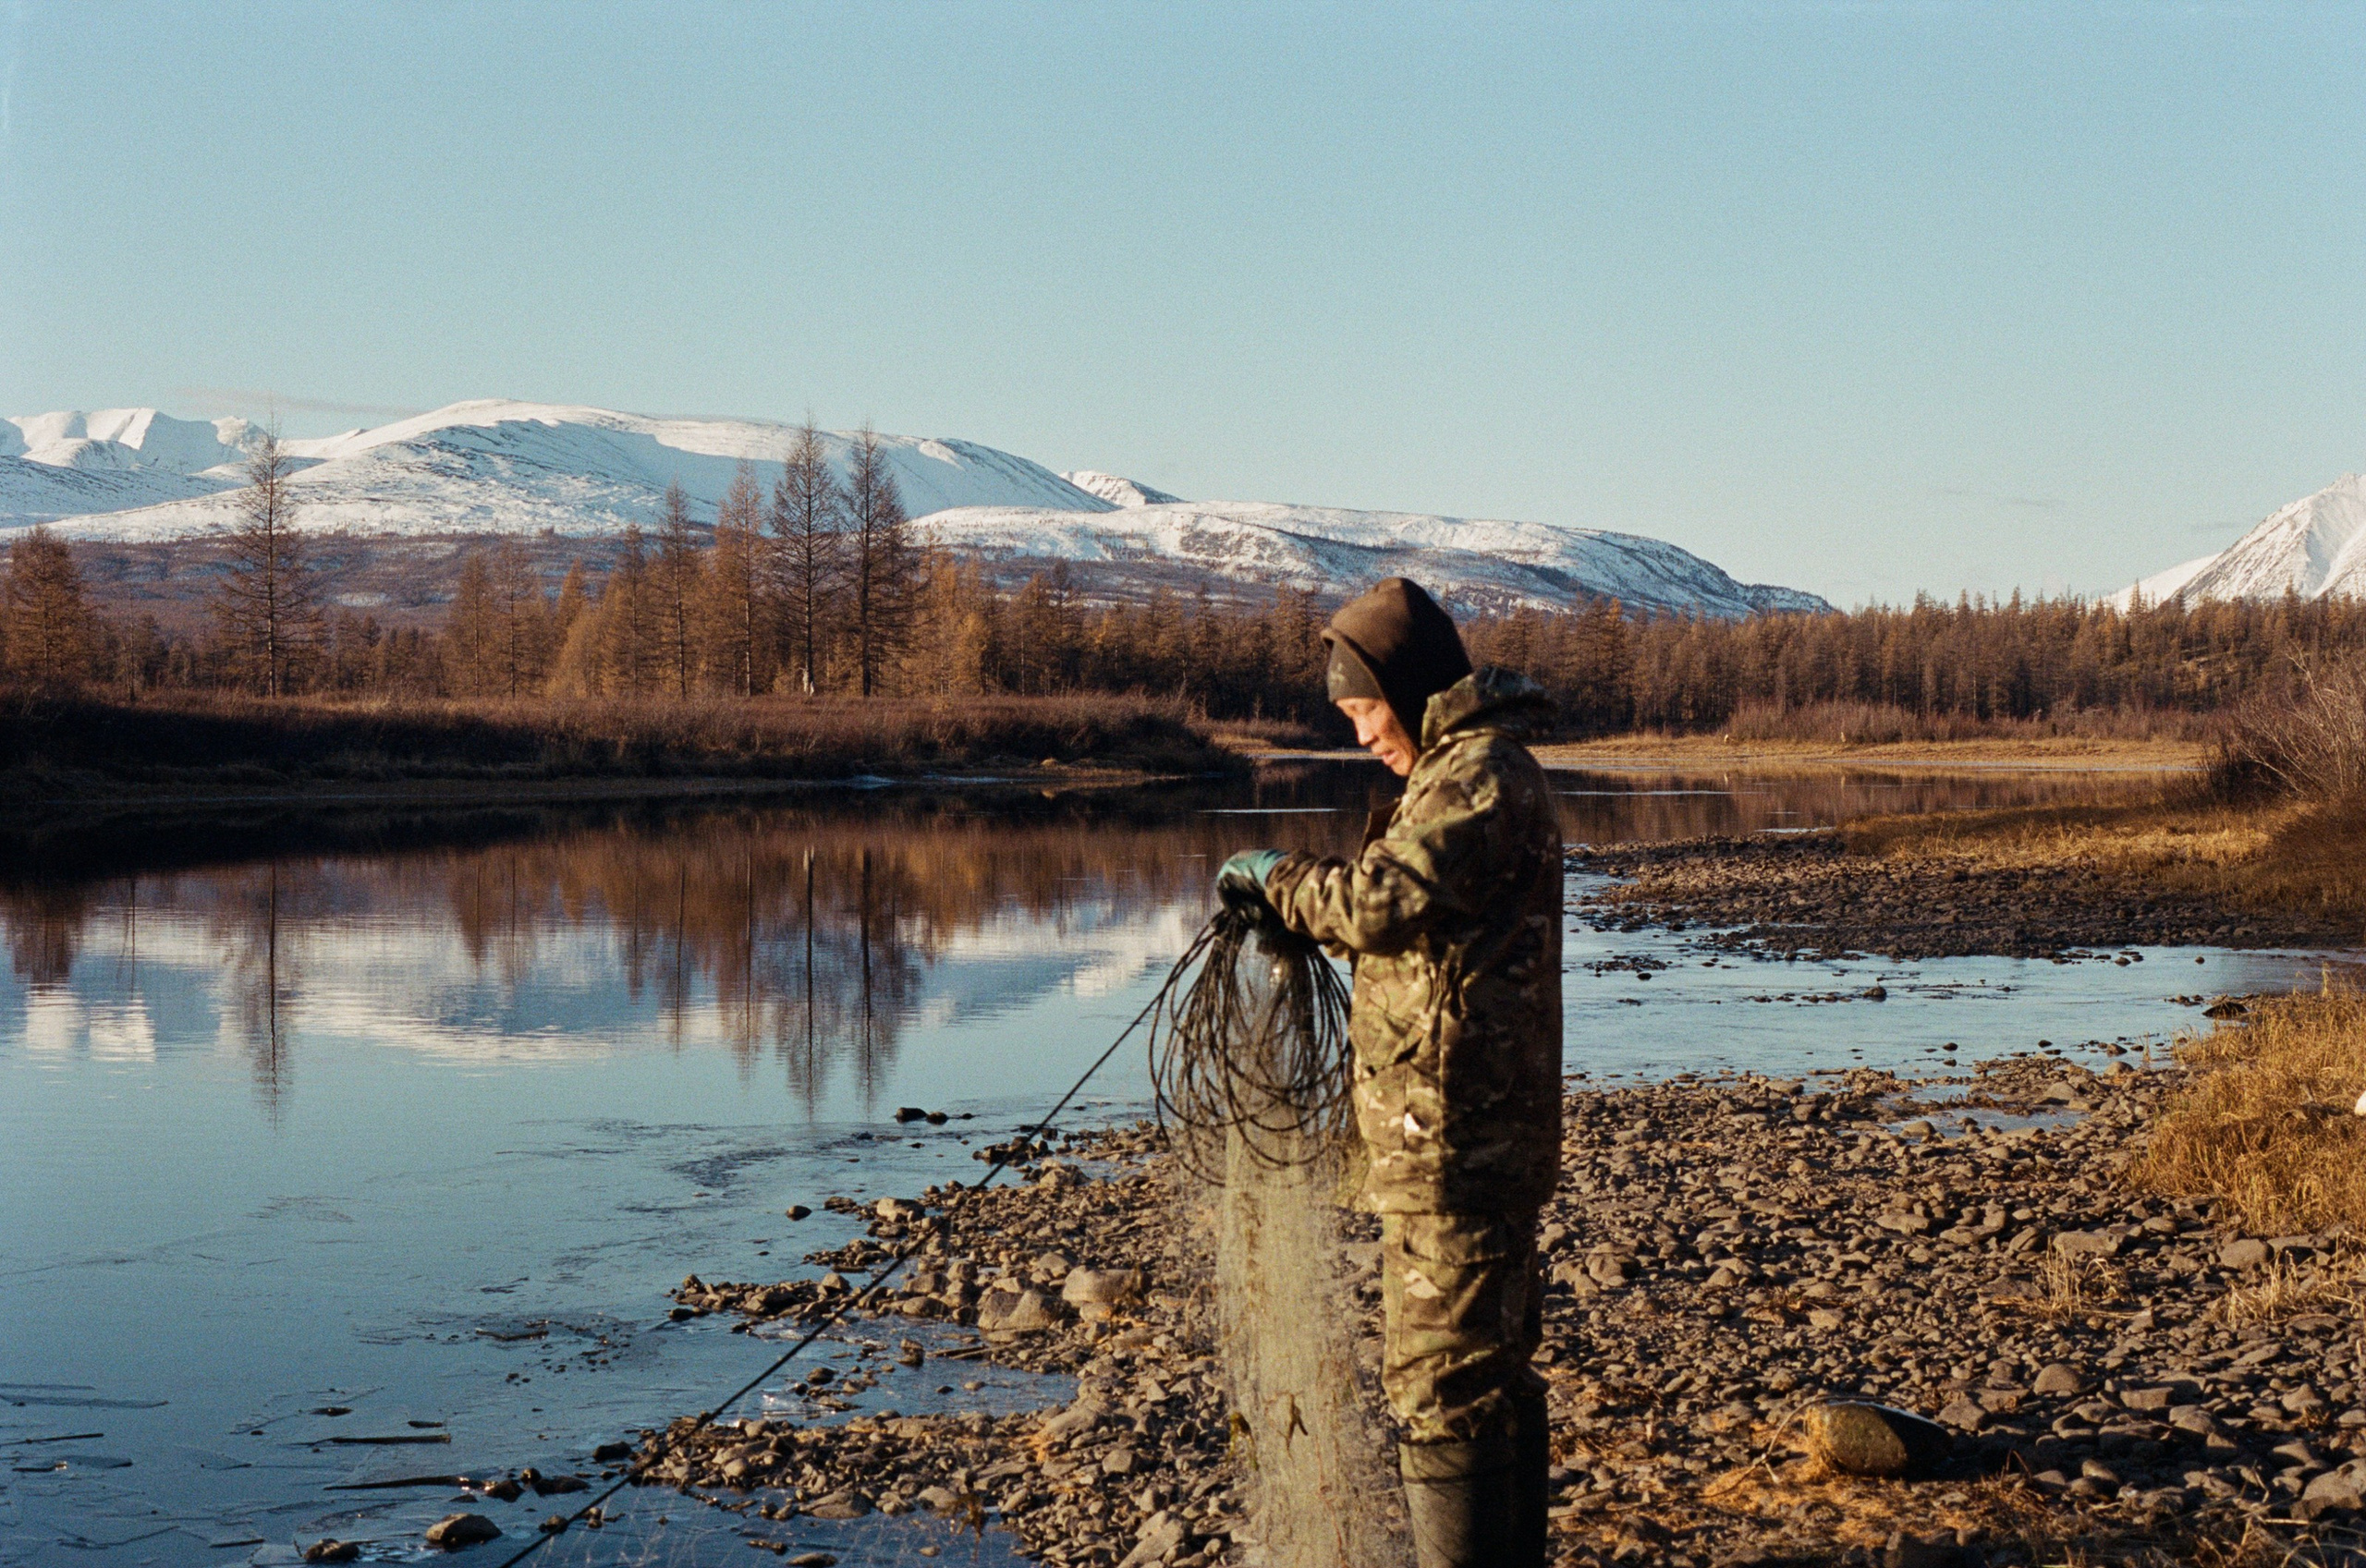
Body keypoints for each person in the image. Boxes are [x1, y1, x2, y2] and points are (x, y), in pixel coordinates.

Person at [1217, 577, 1561, 1568]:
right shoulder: (1462, 772)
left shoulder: (1477, 775)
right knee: (1486, 1371)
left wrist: (1274, 879)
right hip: (1463, 1134)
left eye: (1364, 710)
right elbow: (1423, 935)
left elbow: (1376, 905)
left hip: (1457, 1140)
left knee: (1439, 1380)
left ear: (1408, 693)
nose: (1361, 734)